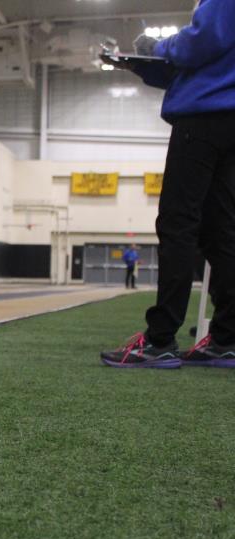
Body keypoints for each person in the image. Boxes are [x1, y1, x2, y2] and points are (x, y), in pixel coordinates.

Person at [101, 0, 235, 368]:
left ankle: (160, 339)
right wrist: (143, 66)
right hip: (227, 119)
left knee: (179, 223)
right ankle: (227, 338)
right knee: (220, 230)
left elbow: (202, 41)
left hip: (202, 119)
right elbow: (212, 61)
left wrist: (157, 48)